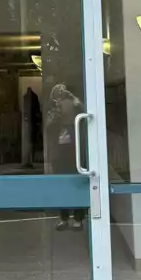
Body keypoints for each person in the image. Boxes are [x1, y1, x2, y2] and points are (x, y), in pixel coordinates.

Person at [45, 82, 86, 230]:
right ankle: (64, 217)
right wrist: (57, 114)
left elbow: (87, 115)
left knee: (76, 182)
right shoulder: (54, 110)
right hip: (60, 151)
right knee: (62, 183)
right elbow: (49, 127)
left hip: (75, 149)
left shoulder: (78, 108)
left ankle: (77, 217)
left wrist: (75, 101)